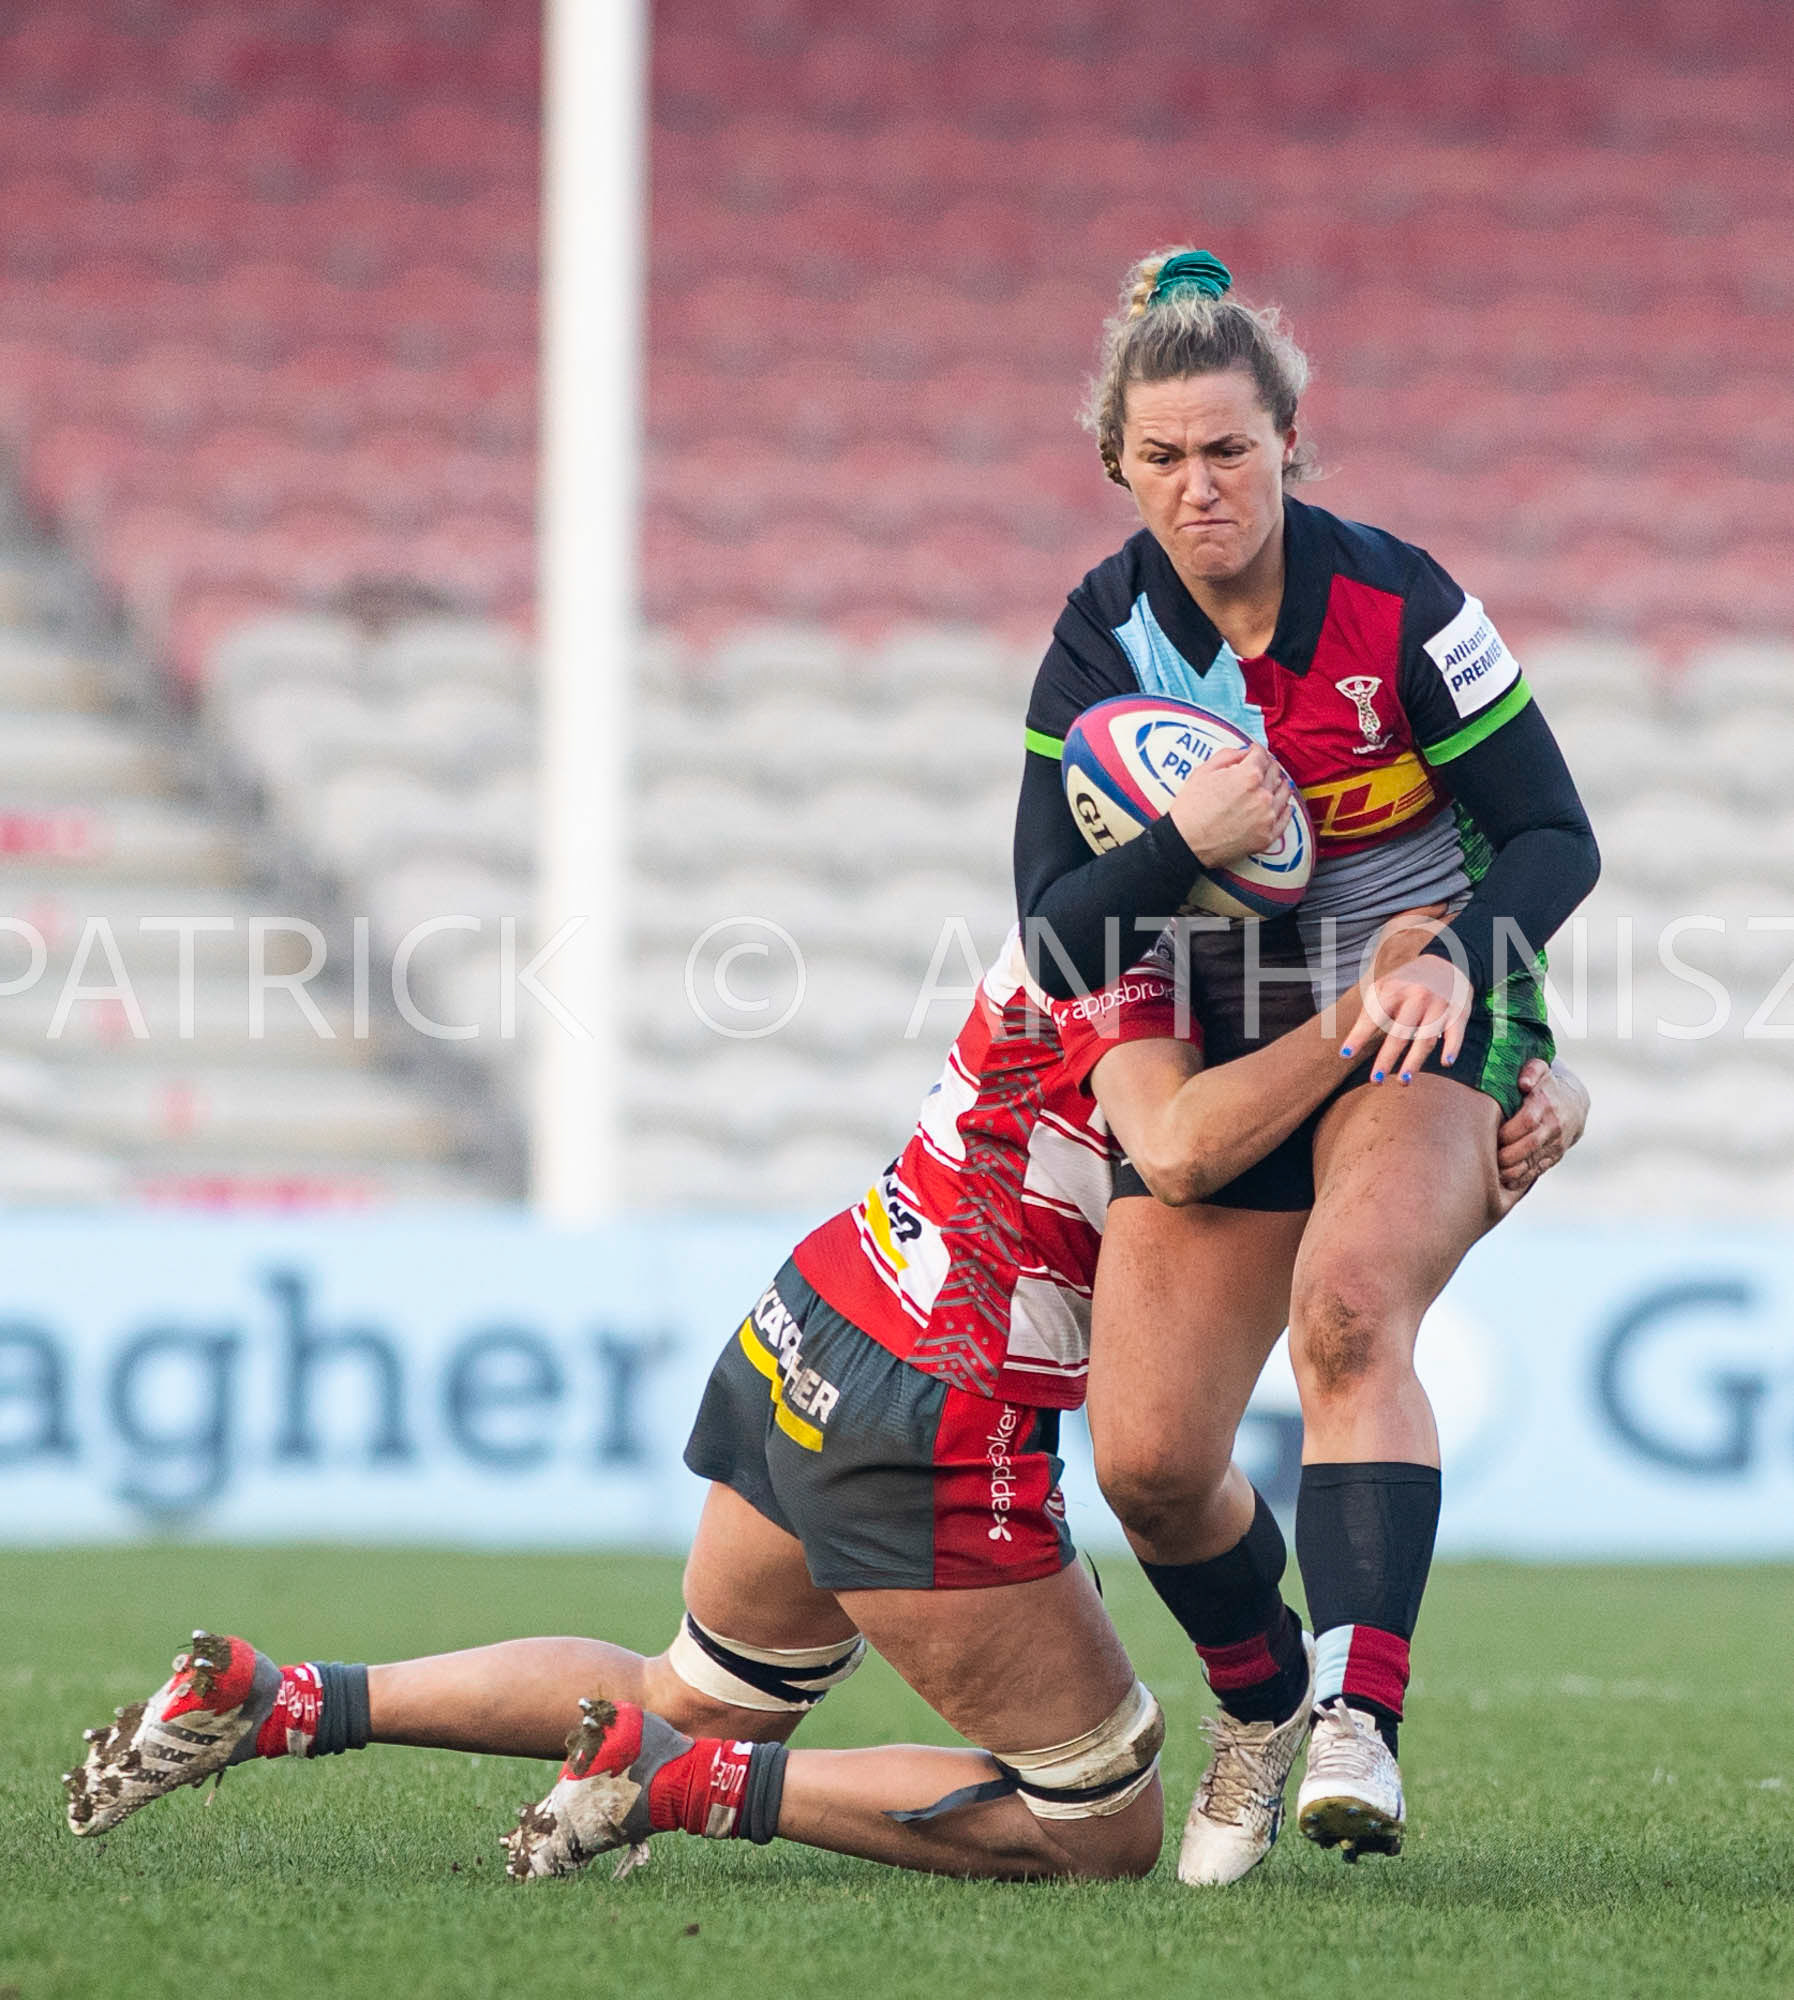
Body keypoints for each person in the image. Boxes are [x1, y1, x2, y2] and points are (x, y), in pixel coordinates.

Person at [62, 917, 1583, 1885]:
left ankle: (278, 1698)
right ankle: (691, 1793)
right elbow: (1187, 1151)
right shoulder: (1170, 976)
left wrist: (1530, 1080)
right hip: (935, 1409)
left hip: (821, 1307)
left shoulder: (1081, 907)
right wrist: (1404, 1047)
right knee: (1100, 1823)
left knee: (698, 1678)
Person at [1012, 248, 1601, 1877]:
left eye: (1230, 450)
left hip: (1422, 997)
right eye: (1163, 458)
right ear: (1115, 466)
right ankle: (1262, 1699)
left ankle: (1358, 1719)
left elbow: (1556, 836)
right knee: (1143, 1461)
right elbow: (1054, 937)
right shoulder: (1097, 639)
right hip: (1223, 1024)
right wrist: (1180, 845)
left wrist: (1483, 987)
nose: (1200, 487)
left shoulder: (1399, 599)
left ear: (1290, 443)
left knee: (1348, 1311)